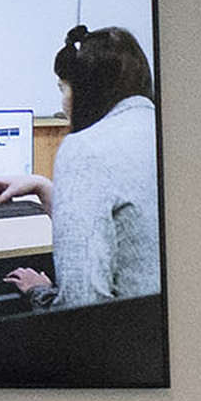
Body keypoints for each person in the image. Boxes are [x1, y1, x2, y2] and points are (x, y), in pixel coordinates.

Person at [39, 21, 162, 308]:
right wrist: (44, 188)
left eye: (63, 89)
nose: (63, 104)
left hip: (134, 331)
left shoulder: (85, 149)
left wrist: (39, 294)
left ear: (84, 91)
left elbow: (82, 300)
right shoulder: (167, 132)